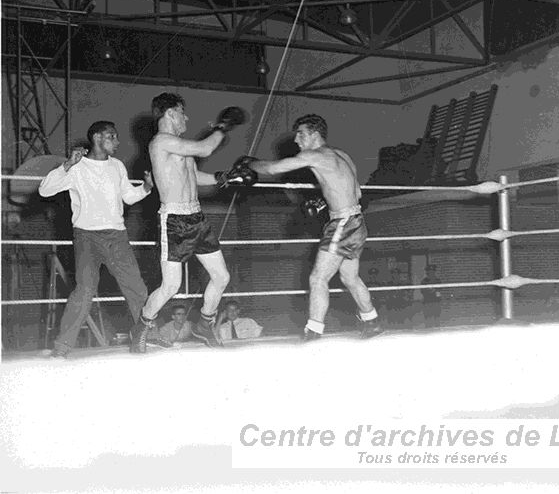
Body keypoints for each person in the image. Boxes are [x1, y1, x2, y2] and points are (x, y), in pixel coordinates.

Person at [246, 114, 383, 340]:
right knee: (350, 278)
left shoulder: (314, 155)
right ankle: (372, 321)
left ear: (315, 134)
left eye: (301, 134)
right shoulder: (343, 155)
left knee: (318, 278)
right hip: (357, 221)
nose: (297, 140)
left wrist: (248, 162)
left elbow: (272, 168)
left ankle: (314, 330)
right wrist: (324, 202)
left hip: (343, 224)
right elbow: (357, 193)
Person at [129, 93, 246, 353]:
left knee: (222, 276)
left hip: (197, 219)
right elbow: (205, 148)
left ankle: (205, 323)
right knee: (171, 286)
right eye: (182, 112)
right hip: (174, 221)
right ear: (170, 113)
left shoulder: (180, 145)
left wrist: (223, 177)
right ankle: (143, 325)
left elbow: (195, 177)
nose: (187, 117)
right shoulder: (160, 142)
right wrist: (222, 127)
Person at [39, 121, 153, 357]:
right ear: (98, 137)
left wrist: (146, 188)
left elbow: (128, 197)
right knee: (84, 291)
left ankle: (148, 336)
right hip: (86, 238)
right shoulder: (77, 167)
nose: (118, 142)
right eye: (113, 136)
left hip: (116, 236)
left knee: (136, 288)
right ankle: (62, 347)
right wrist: (67, 165)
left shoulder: (118, 166)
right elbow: (45, 190)